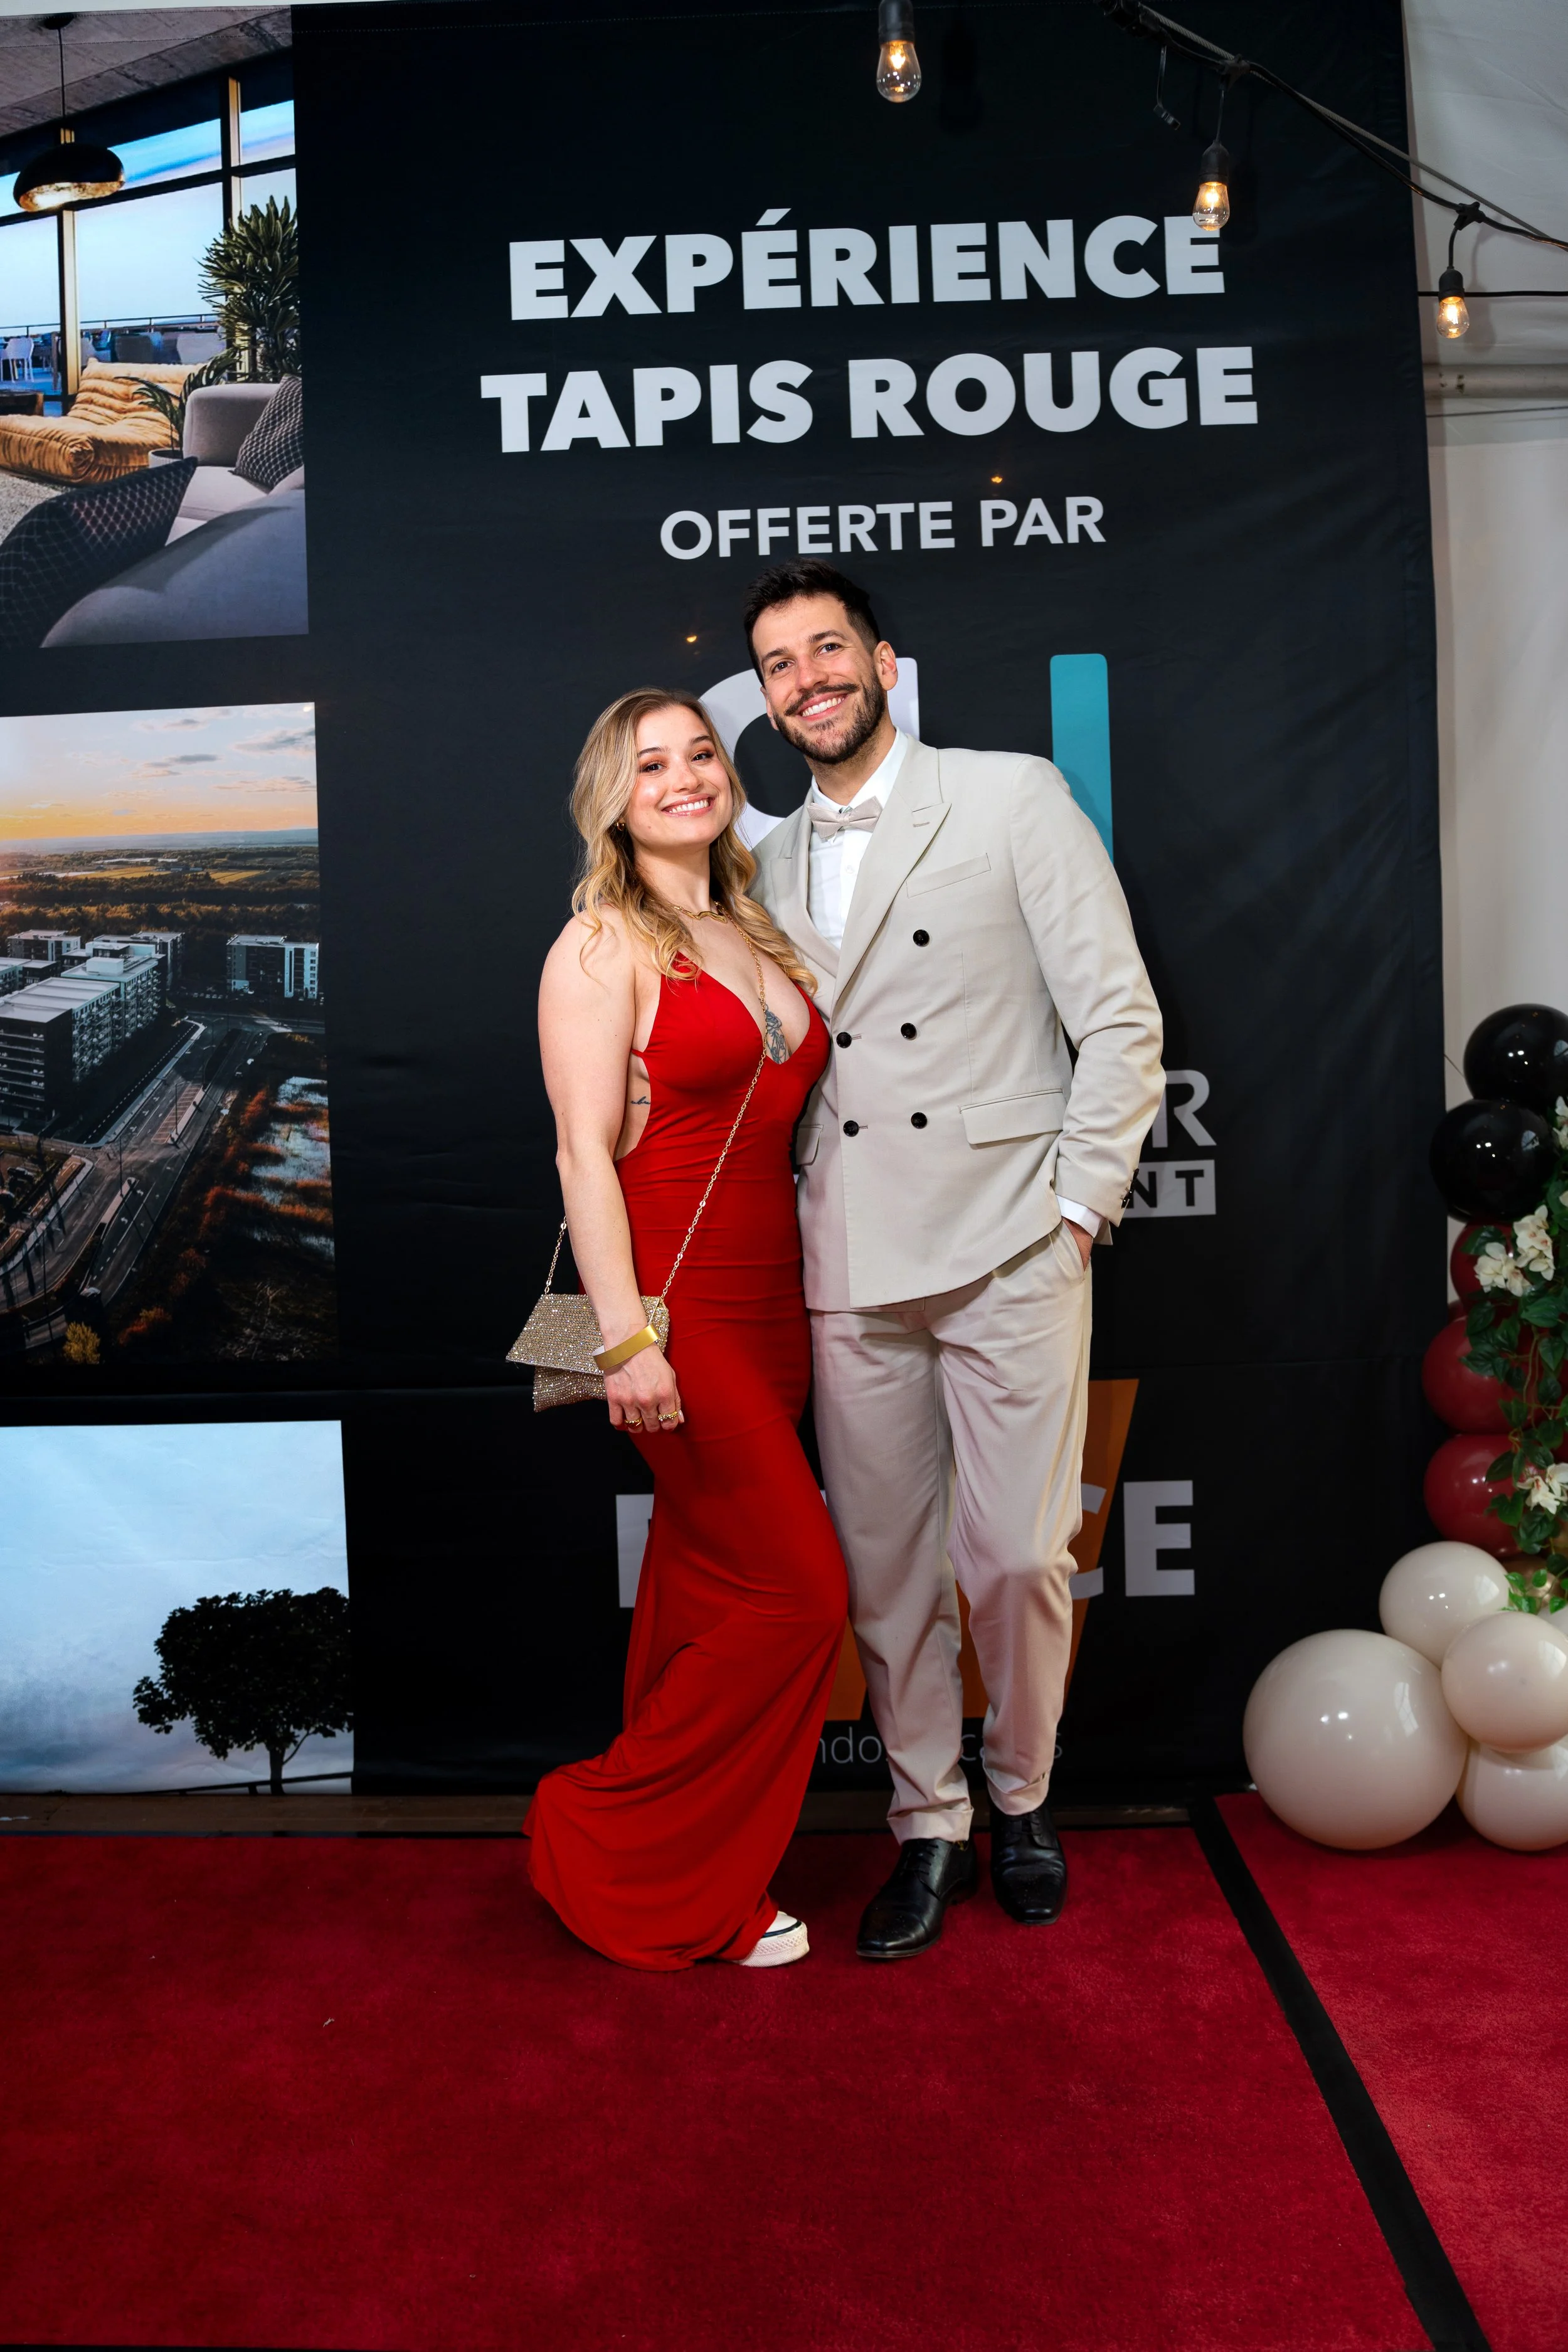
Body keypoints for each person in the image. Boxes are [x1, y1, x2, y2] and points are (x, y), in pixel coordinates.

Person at [744, 558, 1165, 1961]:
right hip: (852, 1248)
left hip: (1004, 1237)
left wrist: (1075, 1211)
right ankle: (924, 1823)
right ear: (765, 700)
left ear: (881, 661)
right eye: (779, 664)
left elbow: (1117, 1019)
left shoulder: (1006, 797)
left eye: (826, 649)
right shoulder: (761, 864)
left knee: (1016, 1558)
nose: (808, 679)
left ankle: (1023, 1797)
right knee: (884, 1571)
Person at [526, 687, 847, 1971]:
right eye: (649, 764)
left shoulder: (750, 926)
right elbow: (580, 1154)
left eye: (699, 755)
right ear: (613, 798)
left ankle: (677, 1856)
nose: (683, 778)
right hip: (675, 1308)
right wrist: (622, 1341)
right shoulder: (602, 946)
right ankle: (606, 1824)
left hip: (779, 1309)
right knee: (801, 1595)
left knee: (708, 1584)